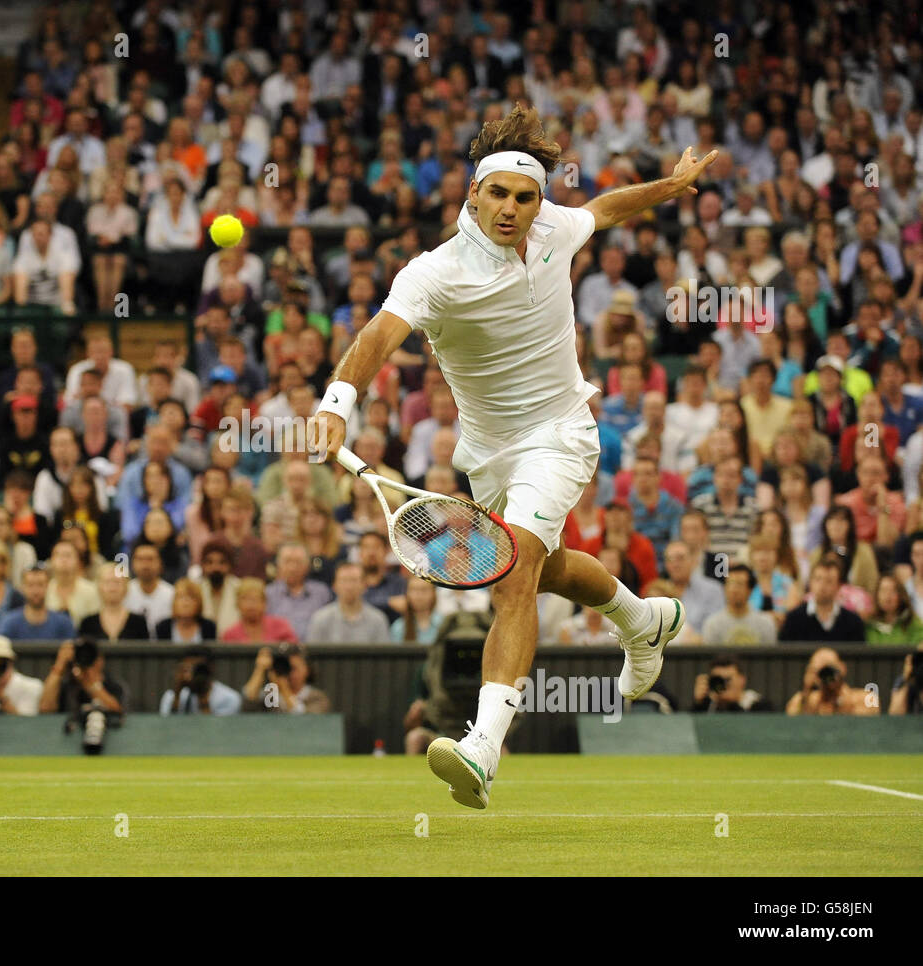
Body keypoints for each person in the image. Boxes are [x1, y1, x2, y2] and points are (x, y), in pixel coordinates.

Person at [307, 105, 715, 808]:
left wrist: (669, 187)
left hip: (560, 433)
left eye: (525, 198)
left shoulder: (555, 225)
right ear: (473, 192)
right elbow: (376, 335)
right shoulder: (434, 274)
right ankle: (642, 620)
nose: (512, 209)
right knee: (542, 569)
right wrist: (336, 405)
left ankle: (484, 748)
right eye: (498, 194)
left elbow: (605, 210)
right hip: (488, 454)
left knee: (514, 573)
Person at [38, 637, 126, 754]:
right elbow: (45, 708)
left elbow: (116, 709)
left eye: (90, 656)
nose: (85, 659)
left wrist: (88, 683)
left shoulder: (113, 685)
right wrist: (59, 666)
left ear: (100, 659)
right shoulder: (67, 685)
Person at [778, 556, 867, 643]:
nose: (822, 586)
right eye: (818, 579)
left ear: (839, 586)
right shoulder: (793, 619)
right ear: (810, 582)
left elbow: (859, 656)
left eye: (829, 581)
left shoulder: (853, 622)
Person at [306, 562, 391, 643]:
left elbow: (384, 657)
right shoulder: (320, 619)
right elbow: (313, 656)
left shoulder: (378, 620)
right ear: (334, 586)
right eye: (344, 580)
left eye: (354, 580)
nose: (349, 586)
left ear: (364, 585)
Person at [785, 646, 877, 715]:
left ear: (842, 668)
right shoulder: (804, 700)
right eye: (819, 671)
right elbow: (792, 720)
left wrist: (840, 698)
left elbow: (870, 715)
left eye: (829, 669)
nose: (825, 675)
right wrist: (807, 690)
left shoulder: (866, 698)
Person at [700, 564, 777, 644]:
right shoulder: (713, 625)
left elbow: (769, 655)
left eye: (739, 584)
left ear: (750, 590)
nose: (733, 589)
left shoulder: (765, 624)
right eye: (730, 584)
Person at [0, 564, 76, 640]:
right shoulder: (9, 623)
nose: (36, 591)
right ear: (22, 587)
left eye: (40, 584)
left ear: (48, 586)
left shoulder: (64, 624)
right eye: (30, 585)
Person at [79, 561, 150, 641]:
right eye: (107, 582)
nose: (112, 587)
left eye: (117, 582)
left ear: (126, 587)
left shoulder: (139, 622)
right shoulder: (88, 623)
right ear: (99, 586)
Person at [160, 648, 242, 715]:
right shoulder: (171, 697)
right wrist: (177, 695)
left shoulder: (229, 698)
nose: (190, 675)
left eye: (197, 670)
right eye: (186, 669)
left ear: (210, 668)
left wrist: (203, 697)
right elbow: (167, 728)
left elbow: (220, 731)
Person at [691, 656, 773, 712]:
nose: (722, 685)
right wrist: (699, 704)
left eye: (727, 679)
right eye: (718, 680)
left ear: (742, 680)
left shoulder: (759, 706)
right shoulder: (708, 706)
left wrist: (731, 704)